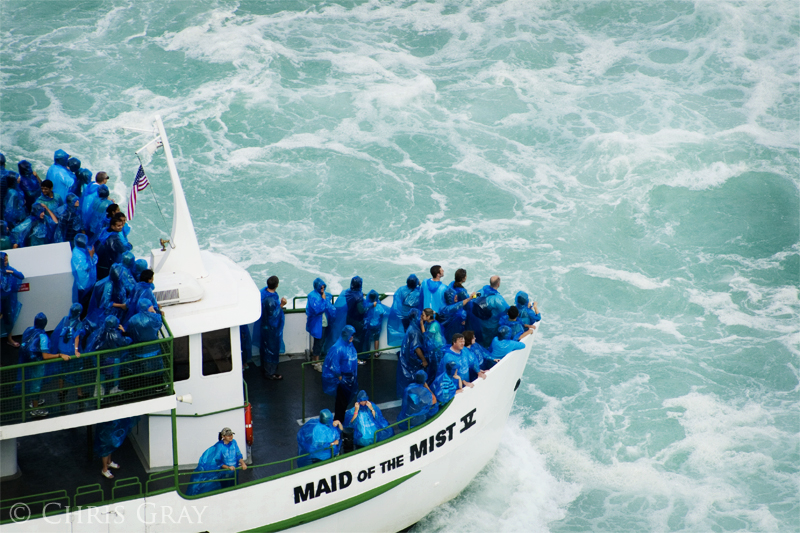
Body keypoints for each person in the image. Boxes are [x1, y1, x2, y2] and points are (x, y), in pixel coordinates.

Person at [18, 312, 71, 417]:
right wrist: (60, 355)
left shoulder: (28, 329)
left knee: (32, 383)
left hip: (27, 361)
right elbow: (45, 356)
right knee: (36, 385)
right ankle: (35, 409)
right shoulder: (43, 336)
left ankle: (33, 401)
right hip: (37, 363)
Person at [186, 427, 247, 494]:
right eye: (228, 435)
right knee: (225, 490)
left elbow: (238, 455)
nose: (230, 437)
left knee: (234, 488)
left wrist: (242, 463)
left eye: (231, 435)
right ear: (223, 436)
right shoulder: (219, 446)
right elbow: (218, 461)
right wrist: (227, 467)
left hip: (234, 472)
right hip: (225, 474)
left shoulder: (234, 442)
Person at [49, 303, 87, 406]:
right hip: (71, 350)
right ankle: (79, 394)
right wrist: (76, 350)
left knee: (62, 370)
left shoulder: (65, 319)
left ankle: (61, 392)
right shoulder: (79, 323)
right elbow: (77, 337)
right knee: (77, 371)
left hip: (62, 349)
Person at [85, 315, 131, 395]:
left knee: (101, 375)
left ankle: (99, 394)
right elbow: (125, 342)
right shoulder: (116, 335)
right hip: (114, 359)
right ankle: (114, 389)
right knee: (115, 374)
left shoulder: (100, 332)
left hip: (101, 358)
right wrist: (124, 332)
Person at [322, 325, 359, 424]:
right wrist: (340, 377)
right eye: (351, 335)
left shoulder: (349, 346)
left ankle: (339, 421)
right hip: (343, 378)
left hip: (350, 377)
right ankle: (338, 421)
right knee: (341, 402)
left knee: (345, 401)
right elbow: (335, 365)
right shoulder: (338, 348)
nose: (352, 337)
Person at [305, 277, 336, 371]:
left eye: (323, 287)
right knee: (318, 342)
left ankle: (317, 360)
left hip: (324, 322)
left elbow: (328, 299)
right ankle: (316, 362)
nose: (322, 289)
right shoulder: (312, 296)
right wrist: (324, 300)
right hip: (318, 323)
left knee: (321, 342)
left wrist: (324, 298)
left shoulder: (323, 294)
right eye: (321, 287)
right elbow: (317, 310)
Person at [395, 308, 427, 398]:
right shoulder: (415, 331)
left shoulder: (411, 327)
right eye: (420, 315)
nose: (421, 318)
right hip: (412, 362)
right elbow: (417, 348)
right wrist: (424, 360)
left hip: (407, 359)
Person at [469, 275, 509, 345]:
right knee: (490, 338)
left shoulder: (482, 291)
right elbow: (507, 311)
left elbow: (474, 297)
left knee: (484, 335)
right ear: (498, 284)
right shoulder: (497, 299)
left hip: (481, 320)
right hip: (492, 324)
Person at [259, 275, 286, 380]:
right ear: (277, 285)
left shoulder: (263, 293)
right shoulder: (270, 300)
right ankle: (270, 373)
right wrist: (281, 305)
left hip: (265, 327)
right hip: (271, 329)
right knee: (271, 350)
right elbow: (273, 317)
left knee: (265, 348)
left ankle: (265, 368)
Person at [386, 274, 422, 346]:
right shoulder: (419, 291)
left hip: (404, 315)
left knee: (406, 331)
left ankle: (407, 346)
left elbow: (396, 303)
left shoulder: (401, 289)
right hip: (415, 316)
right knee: (416, 332)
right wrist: (420, 284)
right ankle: (413, 347)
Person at [332, 276, 366, 350]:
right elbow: (361, 310)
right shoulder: (359, 297)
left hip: (349, 318)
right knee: (357, 339)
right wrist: (370, 306)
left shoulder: (348, 292)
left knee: (349, 336)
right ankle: (357, 357)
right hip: (357, 321)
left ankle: (347, 353)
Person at [96, 213, 132, 280]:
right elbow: (124, 250)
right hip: (107, 264)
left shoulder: (105, 230)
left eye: (121, 225)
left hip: (100, 260)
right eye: (118, 226)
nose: (121, 227)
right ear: (113, 226)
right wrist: (129, 246)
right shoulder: (114, 239)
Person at [1, 252, 24, 346]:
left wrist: (11, 272)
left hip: (6, 299)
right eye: (4, 260)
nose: (6, 262)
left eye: (7, 260)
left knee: (9, 319)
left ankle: (9, 339)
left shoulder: (8, 268)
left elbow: (21, 276)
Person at [71, 234, 97, 311]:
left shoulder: (83, 249)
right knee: (83, 299)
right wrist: (91, 256)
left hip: (89, 279)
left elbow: (95, 259)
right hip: (84, 282)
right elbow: (87, 267)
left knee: (88, 297)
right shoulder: (77, 254)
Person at [363, 290, 389, 354]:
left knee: (368, 338)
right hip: (377, 325)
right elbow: (383, 314)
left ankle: (367, 353)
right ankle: (376, 353)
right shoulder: (379, 306)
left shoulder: (367, 306)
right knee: (376, 338)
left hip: (369, 325)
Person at [423, 308, 443, 383]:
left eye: (423, 315)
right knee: (433, 367)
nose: (421, 316)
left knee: (437, 368)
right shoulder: (428, 323)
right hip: (433, 349)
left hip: (437, 349)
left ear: (428, 317)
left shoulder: (434, 325)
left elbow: (426, 336)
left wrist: (421, 324)